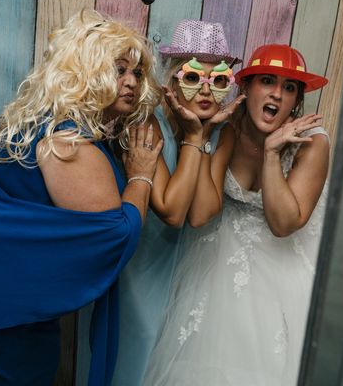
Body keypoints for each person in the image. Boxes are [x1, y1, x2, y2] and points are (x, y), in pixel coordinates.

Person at [0, 9, 162, 386]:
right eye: (118, 69)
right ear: (86, 69)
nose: (130, 82)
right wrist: (141, 173)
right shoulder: (68, 143)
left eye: (137, 73)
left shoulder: (43, 124)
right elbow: (115, 237)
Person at [142, 44, 330, 386]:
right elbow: (200, 214)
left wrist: (272, 153)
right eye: (268, 81)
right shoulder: (227, 129)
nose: (277, 93)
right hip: (219, 254)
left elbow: (284, 224)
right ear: (246, 88)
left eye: (289, 88)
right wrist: (202, 134)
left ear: (297, 101)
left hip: (284, 263)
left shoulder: (312, 142)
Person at [102, 20, 245, 386]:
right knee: (137, 357)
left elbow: (201, 214)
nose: (205, 91)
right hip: (144, 266)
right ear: (171, 79)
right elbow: (172, 211)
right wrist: (195, 138)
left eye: (218, 80)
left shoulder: (223, 133)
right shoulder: (146, 123)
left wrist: (204, 133)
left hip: (190, 269)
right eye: (194, 77)